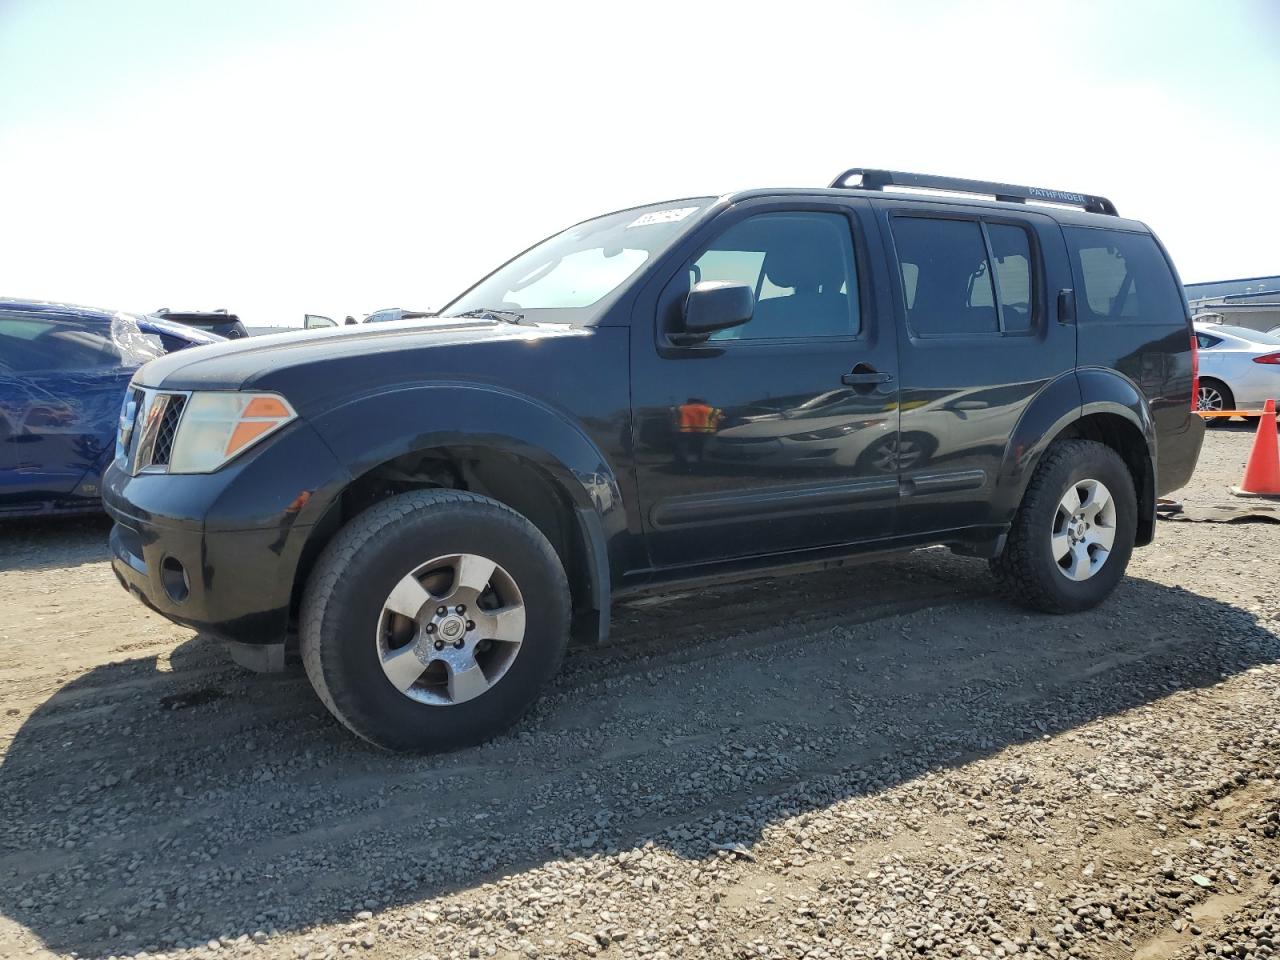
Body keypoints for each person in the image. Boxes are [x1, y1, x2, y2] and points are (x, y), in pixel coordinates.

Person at [673, 397, 723, 466]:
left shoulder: (680, 409)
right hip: (706, 432)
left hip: (685, 431)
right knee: (703, 449)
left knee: (686, 449)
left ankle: (686, 465)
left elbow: (673, 419)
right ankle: (702, 464)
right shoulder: (713, 410)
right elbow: (720, 420)